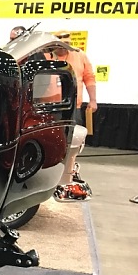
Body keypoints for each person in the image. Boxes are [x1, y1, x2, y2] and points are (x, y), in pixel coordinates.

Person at [49, 31, 98, 202]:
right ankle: (51, 172)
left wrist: (93, 100)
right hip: (50, 107)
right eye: (59, 47)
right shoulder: (47, 56)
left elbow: (89, 78)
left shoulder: (79, 55)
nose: (62, 51)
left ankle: (67, 175)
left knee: (72, 142)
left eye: (65, 47)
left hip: (73, 106)